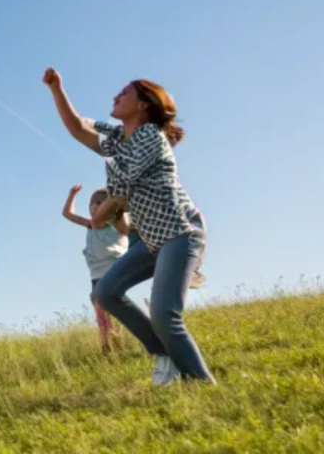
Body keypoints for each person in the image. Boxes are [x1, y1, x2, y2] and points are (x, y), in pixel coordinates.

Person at [43, 67, 215, 385]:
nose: (115, 96)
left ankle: (201, 383)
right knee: (106, 292)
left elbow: (122, 187)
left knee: (164, 314)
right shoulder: (119, 139)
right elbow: (79, 127)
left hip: (180, 232)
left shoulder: (150, 136)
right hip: (151, 239)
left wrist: (100, 214)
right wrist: (56, 89)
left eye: (124, 93)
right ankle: (163, 352)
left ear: (142, 105)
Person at [62, 185, 129, 355]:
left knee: (108, 307)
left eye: (98, 203)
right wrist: (72, 195)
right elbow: (67, 214)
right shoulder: (91, 224)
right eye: (92, 203)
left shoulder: (114, 225)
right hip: (97, 276)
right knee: (102, 312)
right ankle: (109, 345)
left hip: (112, 271)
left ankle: (114, 344)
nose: (93, 206)